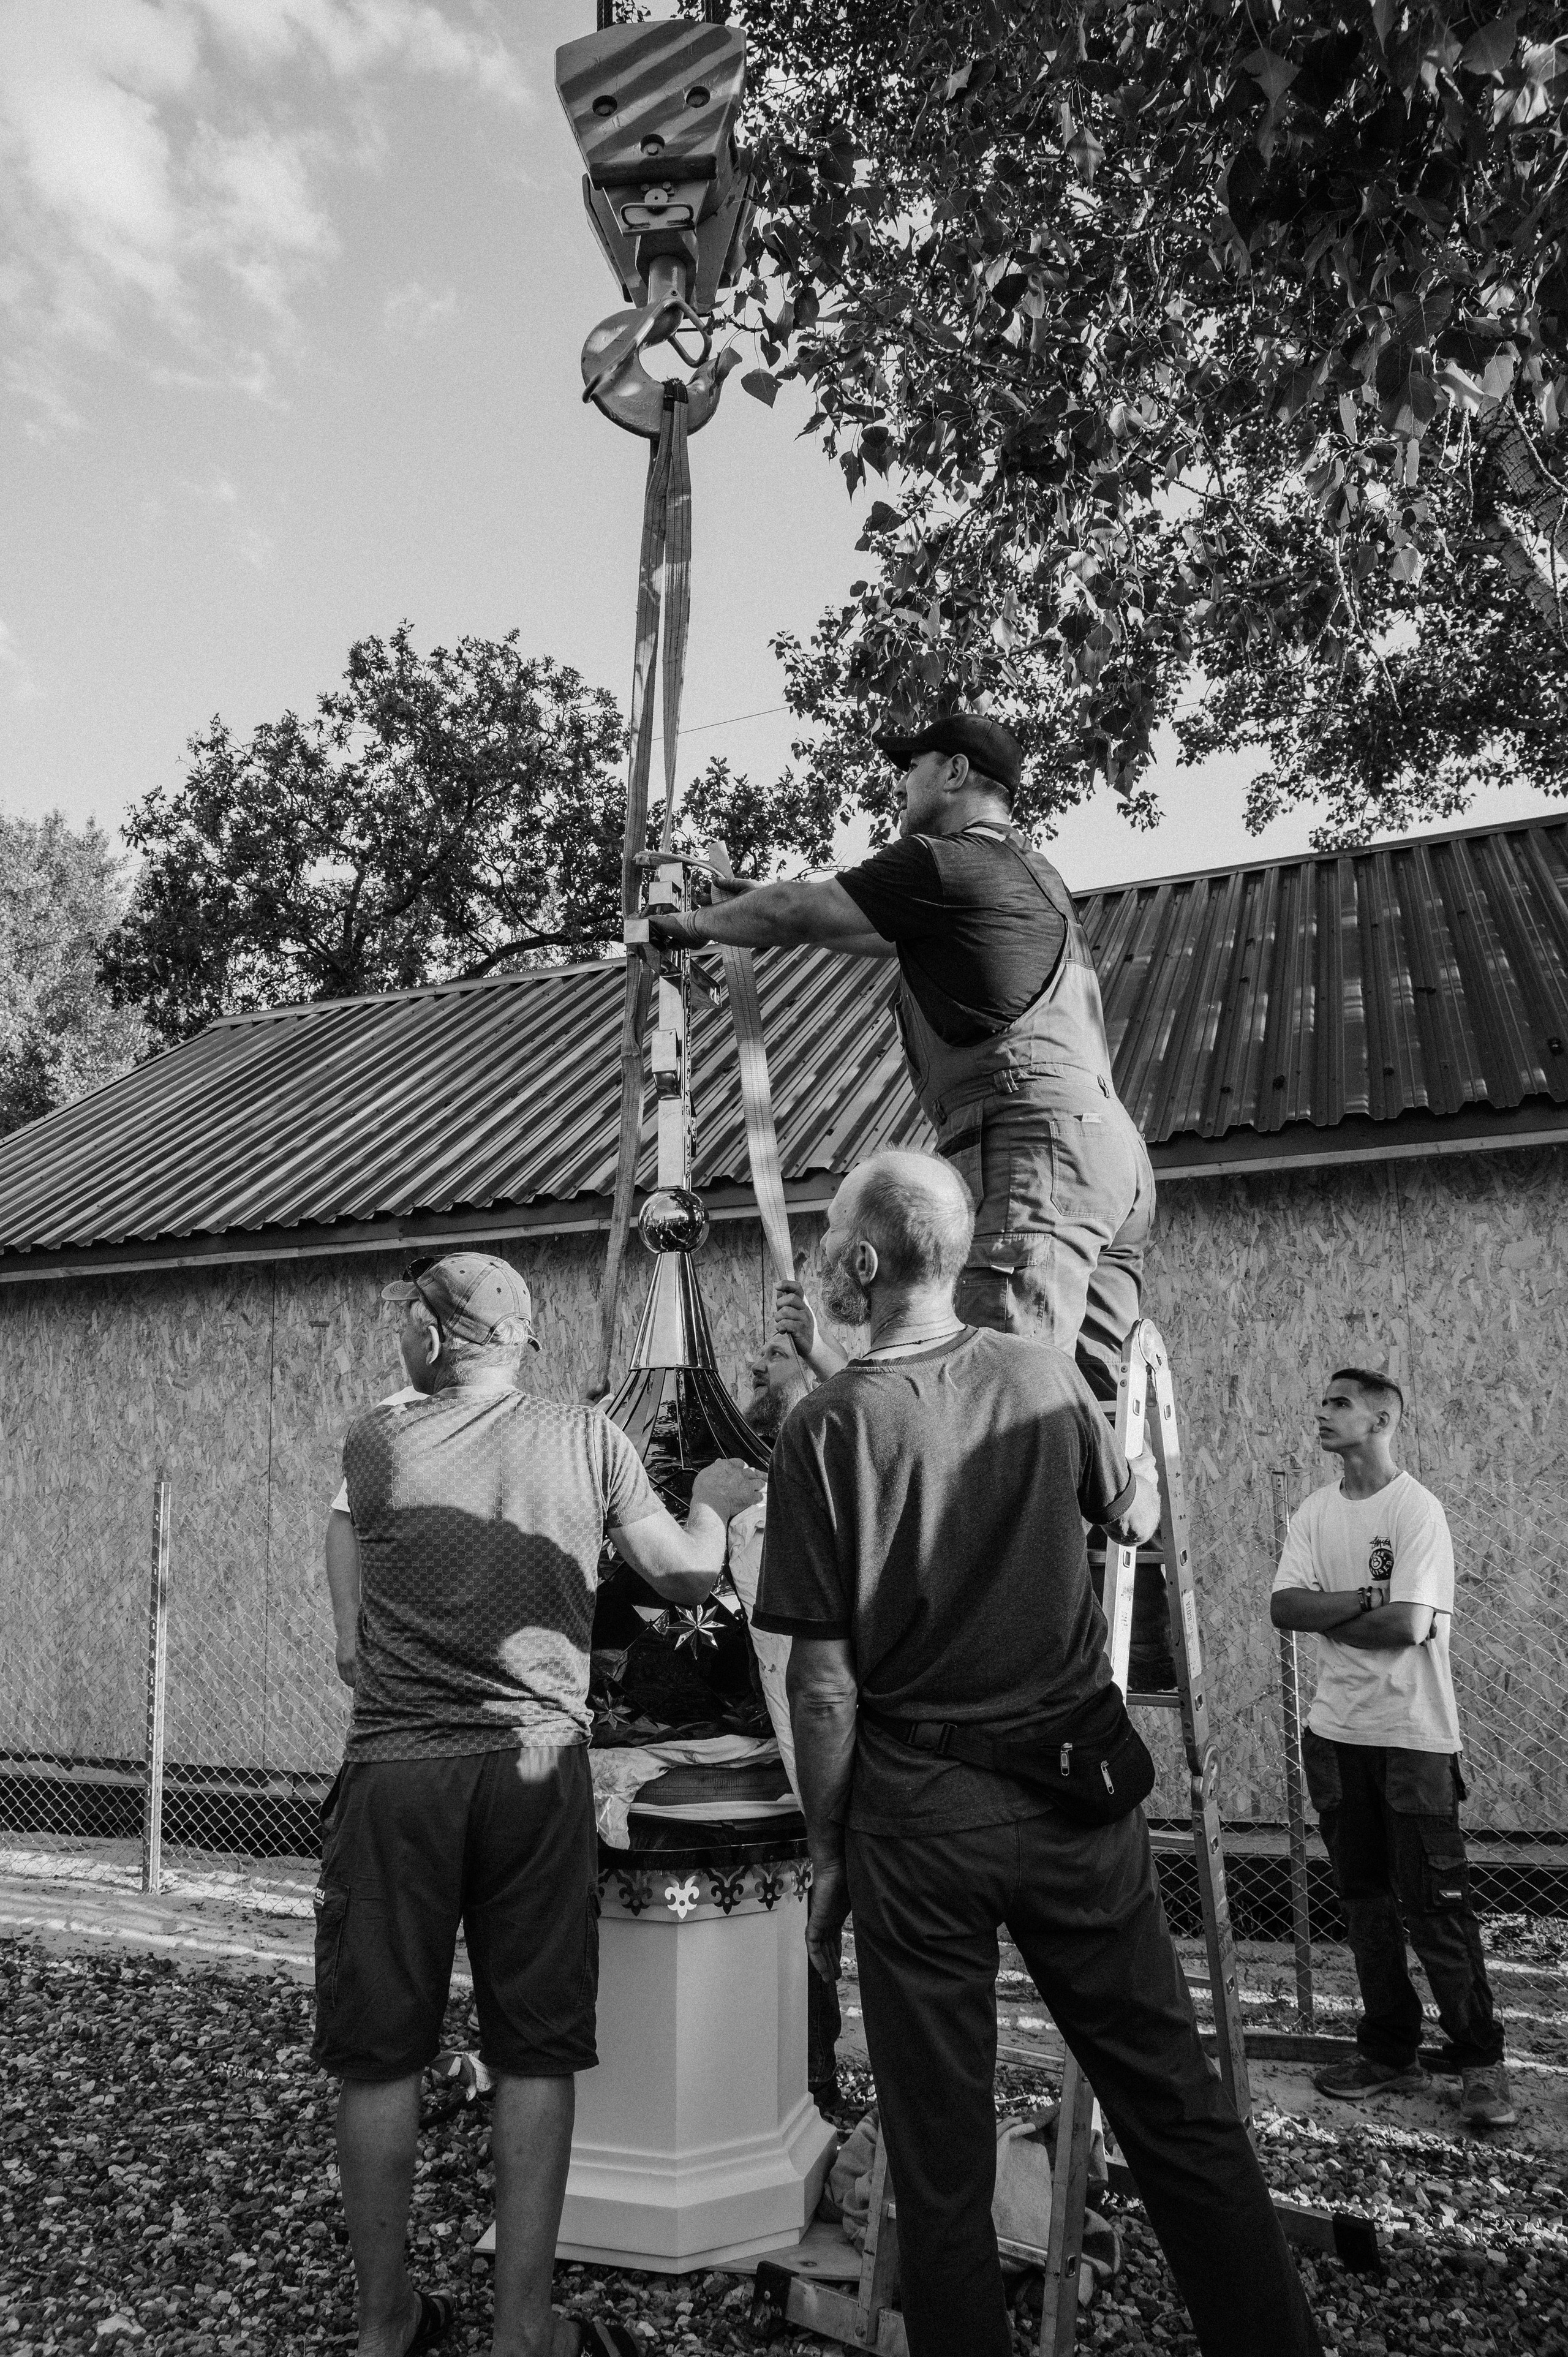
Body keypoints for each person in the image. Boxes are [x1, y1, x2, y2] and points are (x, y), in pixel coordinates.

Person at [753, 1151, 1322, 2357]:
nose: (813, 1258)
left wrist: (826, 1848)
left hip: (917, 1814)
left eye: (823, 1242)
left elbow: (820, 1682)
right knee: (1173, 2104)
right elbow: (1131, 1513)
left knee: (940, 2150)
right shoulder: (1041, 1374)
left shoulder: (824, 1429)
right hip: (1073, 1798)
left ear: (861, 1264)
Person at [317, 1250, 760, 2357]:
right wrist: (712, 1504)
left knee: (378, 2055)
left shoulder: (378, 1440)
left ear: (430, 1337)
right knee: (535, 2051)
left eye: (409, 1323)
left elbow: (343, 1530)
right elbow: (687, 1578)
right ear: (519, 1342)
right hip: (535, 1766)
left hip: (398, 1774)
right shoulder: (592, 1441)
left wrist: (348, 1634)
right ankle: (524, 2332)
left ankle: (386, 2328)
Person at [649, 712, 1153, 1400]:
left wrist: (677, 927)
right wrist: (741, 906)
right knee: (1091, 1401)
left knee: (995, 1400)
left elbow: (801, 909)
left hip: (1036, 1153)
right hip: (1106, 1159)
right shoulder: (1024, 875)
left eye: (912, 766)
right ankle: (1116, 1507)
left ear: (952, 773)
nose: (902, 785)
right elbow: (845, 923)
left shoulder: (945, 860)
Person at [1270, 1366, 1514, 2130]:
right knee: (1366, 1907)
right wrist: (1368, 1601)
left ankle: (1481, 2064)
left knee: (1435, 1909)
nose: (1322, 1412)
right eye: (1323, 1401)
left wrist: (1335, 1614)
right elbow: (1285, 1605)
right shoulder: (1313, 1511)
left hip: (1412, 1739)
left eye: (1338, 1403)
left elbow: (1411, 1626)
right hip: (1335, 1736)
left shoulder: (1417, 1511)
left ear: (1380, 1420)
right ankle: (1388, 2048)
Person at [726, 1330, 842, 2103]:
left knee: (811, 1916)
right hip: (740, 1750)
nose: (755, 1362)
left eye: (773, 1351)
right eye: (756, 1352)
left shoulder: (827, 1465)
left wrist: (820, 1347)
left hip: (816, 1745)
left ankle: (812, 2087)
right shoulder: (733, 1472)